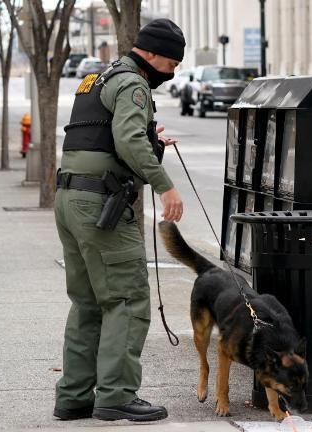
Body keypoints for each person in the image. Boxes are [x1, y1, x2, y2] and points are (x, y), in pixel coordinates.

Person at [52, 18, 186, 422]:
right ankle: (116, 395)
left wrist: (152, 141)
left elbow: (104, 137)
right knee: (126, 299)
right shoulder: (133, 83)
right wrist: (165, 185)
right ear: (151, 53)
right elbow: (127, 141)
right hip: (102, 205)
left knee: (88, 302)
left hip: (70, 199)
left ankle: (74, 397)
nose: (173, 71)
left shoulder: (95, 79)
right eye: (171, 62)